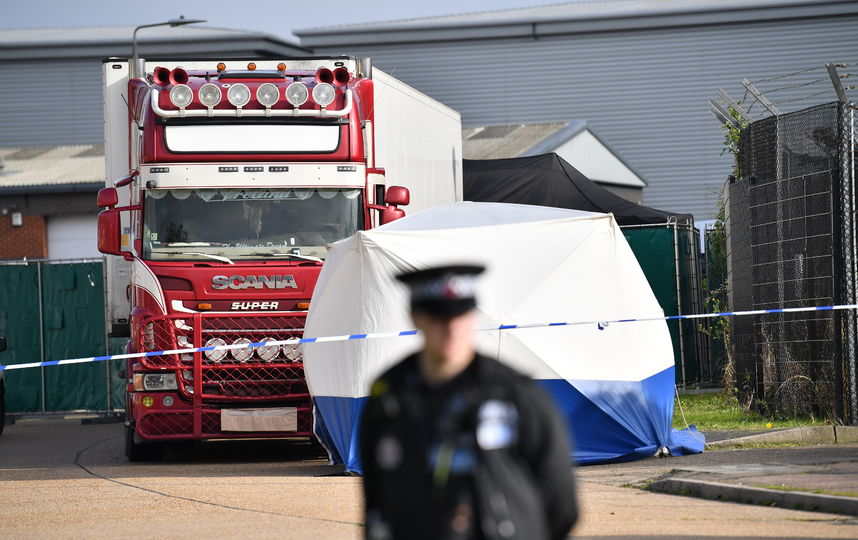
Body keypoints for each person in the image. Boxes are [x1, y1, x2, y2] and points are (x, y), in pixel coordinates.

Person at [360, 264, 578, 540]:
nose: (452, 328)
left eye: (461, 315)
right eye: (438, 317)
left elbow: (560, 503)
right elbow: (376, 500)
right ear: (415, 318)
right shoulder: (389, 398)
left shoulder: (516, 394)